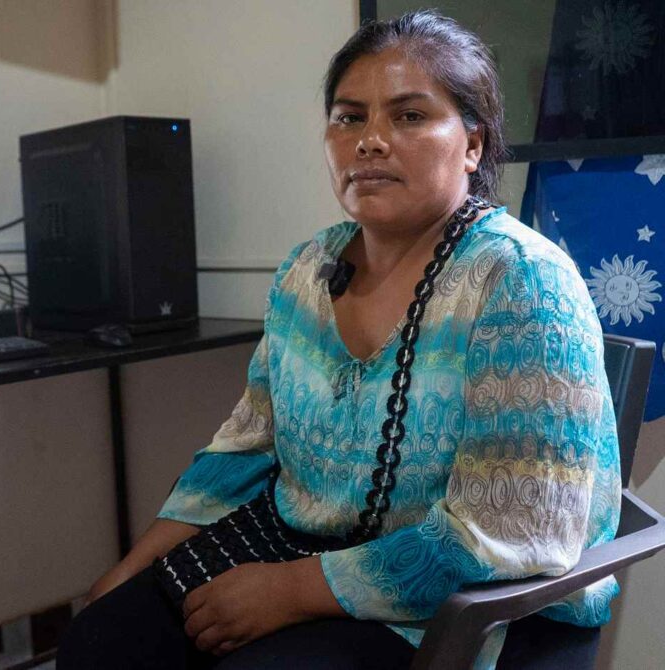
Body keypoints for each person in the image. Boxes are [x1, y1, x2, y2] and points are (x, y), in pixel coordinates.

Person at [57, 10, 620, 669]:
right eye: (350, 117)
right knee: (96, 643)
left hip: (465, 597)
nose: (370, 141)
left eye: (409, 116)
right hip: (292, 542)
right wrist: (133, 567)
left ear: (472, 143)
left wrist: (288, 592)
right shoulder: (306, 270)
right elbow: (246, 446)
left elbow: (506, 533)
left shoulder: (521, 281)